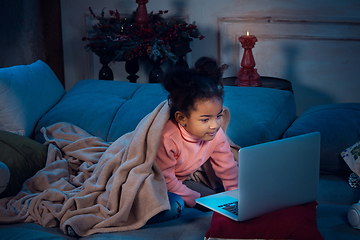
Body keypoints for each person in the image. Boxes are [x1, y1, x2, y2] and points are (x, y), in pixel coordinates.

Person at [155, 57, 239, 208]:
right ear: (182, 118)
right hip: (156, 179)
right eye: (205, 119)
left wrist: (236, 195)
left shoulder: (216, 134)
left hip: (180, 178)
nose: (215, 125)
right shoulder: (168, 138)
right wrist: (197, 199)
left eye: (218, 116)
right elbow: (164, 180)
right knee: (173, 206)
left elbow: (227, 167)